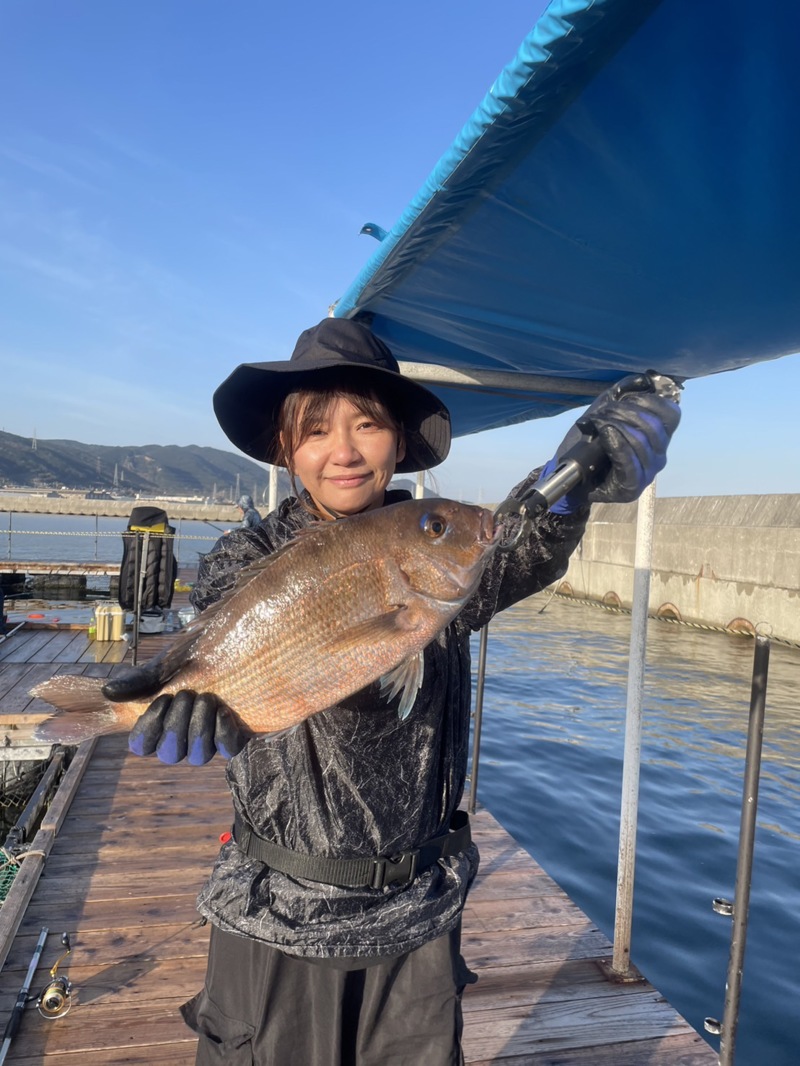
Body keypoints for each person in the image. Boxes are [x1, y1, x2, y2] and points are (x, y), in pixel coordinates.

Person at [108, 317, 680, 1065]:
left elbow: (522, 538)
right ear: (286, 449)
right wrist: (167, 690)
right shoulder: (245, 557)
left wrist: (582, 476)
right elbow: (221, 631)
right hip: (276, 918)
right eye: (315, 431)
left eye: (367, 425)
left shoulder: (433, 545)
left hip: (419, 918)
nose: (342, 451)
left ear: (400, 442)